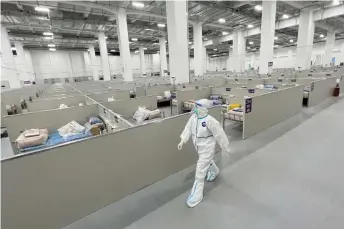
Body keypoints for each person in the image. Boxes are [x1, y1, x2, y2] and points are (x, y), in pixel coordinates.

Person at [178, 99, 230, 208]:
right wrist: (183, 140)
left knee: (200, 170)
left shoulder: (210, 120)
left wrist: (225, 146)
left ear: (204, 108)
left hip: (207, 148)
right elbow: (187, 129)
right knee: (206, 162)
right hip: (199, 148)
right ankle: (214, 171)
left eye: (198, 106)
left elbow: (219, 133)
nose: (195, 109)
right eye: (195, 106)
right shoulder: (193, 118)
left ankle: (197, 195)